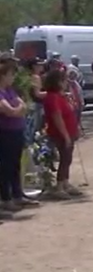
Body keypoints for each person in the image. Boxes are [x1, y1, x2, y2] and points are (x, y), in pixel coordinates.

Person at [0, 60, 39, 213]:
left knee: (16, 165)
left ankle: (18, 195)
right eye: (10, 74)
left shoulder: (10, 91)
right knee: (6, 166)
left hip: (16, 131)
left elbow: (23, 105)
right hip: (5, 133)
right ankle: (6, 198)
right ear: (2, 76)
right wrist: (17, 110)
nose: (13, 77)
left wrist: (17, 109)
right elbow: (9, 110)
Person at [41, 68, 83, 199]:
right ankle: (59, 186)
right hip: (60, 133)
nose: (66, 83)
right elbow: (57, 117)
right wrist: (65, 135)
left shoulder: (61, 96)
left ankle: (65, 182)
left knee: (68, 158)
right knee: (64, 159)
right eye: (64, 80)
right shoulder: (52, 97)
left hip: (70, 131)